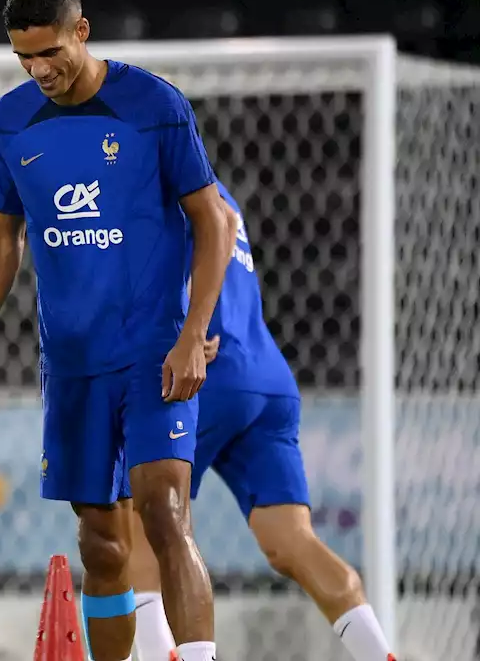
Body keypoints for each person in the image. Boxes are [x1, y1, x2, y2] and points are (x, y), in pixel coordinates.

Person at [0, 0, 232, 661]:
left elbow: (212, 221)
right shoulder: (11, 119)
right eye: (25, 57)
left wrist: (194, 333)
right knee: (100, 544)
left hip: (153, 350)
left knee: (164, 512)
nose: (39, 69)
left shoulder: (154, 105)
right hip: (72, 361)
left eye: (51, 52)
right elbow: (2, 240)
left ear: (83, 30)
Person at [127, 181, 398, 661]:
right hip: (266, 376)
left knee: (146, 515)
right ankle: (380, 654)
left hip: (211, 373)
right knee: (289, 540)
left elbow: (222, 225)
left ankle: (163, 656)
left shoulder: (153, 160)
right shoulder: (207, 176)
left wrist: (194, 323)